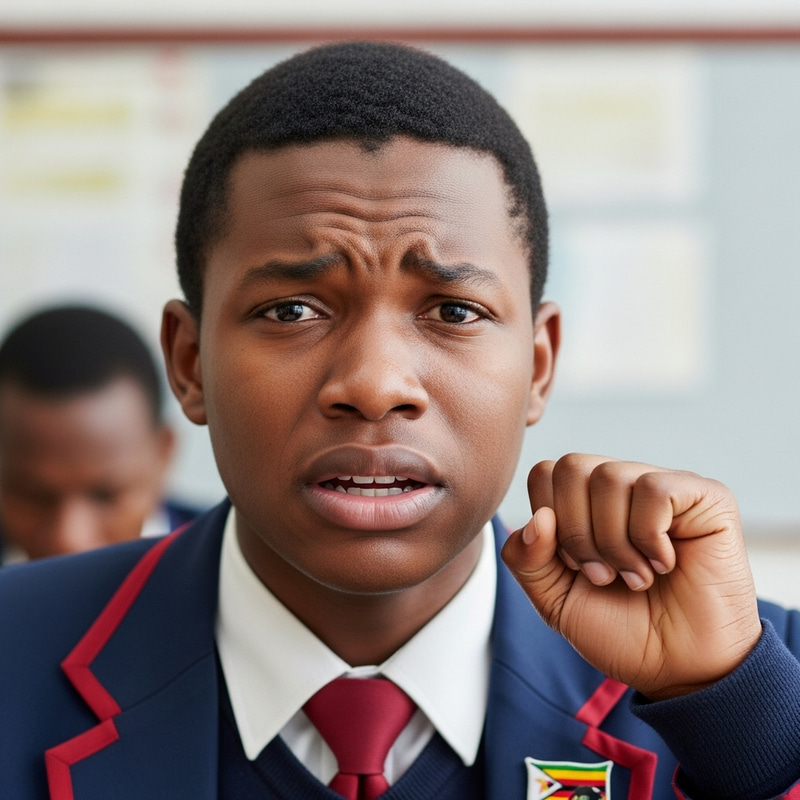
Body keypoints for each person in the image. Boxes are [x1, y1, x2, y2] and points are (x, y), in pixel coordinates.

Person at [1, 41, 799, 800]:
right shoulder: (14, 657)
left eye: (453, 309)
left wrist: (731, 714)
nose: (375, 385)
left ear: (539, 363)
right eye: (291, 309)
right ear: (188, 362)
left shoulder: (744, 678)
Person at [0, 305, 199, 562]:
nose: (69, 540)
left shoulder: (230, 572)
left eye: (105, 496)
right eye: (35, 497)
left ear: (164, 453)